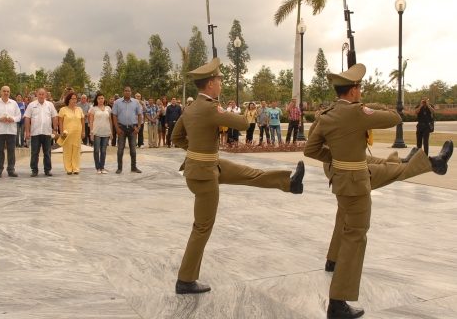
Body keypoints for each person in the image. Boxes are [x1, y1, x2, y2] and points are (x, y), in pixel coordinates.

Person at [304, 64, 430, 319]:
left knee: (345, 224)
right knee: (355, 236)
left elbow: (311, 150)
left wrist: (337, 158)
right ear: (353, 91)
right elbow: (395, 118)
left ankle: (333, 265)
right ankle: (337, 303)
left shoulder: (326, 115)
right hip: (356, 182)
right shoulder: (358, 112)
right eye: (360, 88)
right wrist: (374, 107)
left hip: (339, 180)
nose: (360, 92)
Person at [172, 57, 305, 295]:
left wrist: (196, 152)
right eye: (220, 80)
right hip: (204, 175)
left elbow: (177, 137)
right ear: (211, 83)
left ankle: (289, 182)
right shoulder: (211, 108)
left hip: (207, 166)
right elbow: (244, 123)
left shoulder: (190, 109)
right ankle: (185, 280)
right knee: (202, 227)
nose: (221, 83)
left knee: (249, 174)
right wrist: (227, 110)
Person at [0, 86, 21, 178]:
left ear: (10, 92)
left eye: (8, 91)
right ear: (0, 92)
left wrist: (13, 119)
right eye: (4, 91)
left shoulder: (14, 103)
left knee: (11, 151)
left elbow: (19, 116)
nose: (6, 93)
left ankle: (11, 170)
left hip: (11, 131)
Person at [24, 88, 58, 177]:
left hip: (47, 133)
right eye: (40, 94)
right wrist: (27, 131)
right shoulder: (31, 105)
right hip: (35, 133)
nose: (41, 96)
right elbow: (27, 118)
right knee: (34, 152)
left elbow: (54, 117)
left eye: (43, 94)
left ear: (46, 95)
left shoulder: (50, 105)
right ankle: (34, 170)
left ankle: (47, 170)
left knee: (47, 152)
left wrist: (55, 129)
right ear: (37, 94)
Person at [112, 86, 143, 174]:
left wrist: (139, 127)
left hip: (133, 128)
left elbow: (140, 114)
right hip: (121, 128)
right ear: (123, 92)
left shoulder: (136, 102)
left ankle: (133, 167)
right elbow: (114, 115)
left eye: (129, 91)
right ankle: (119, 168)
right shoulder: (117, 102)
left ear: (131, 92)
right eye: (125, 91)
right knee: (120, 149)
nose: (127, 92)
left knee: (133, 149)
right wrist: (116, 128)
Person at [58, 92, 85, 175]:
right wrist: (61, 131)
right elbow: (60, 122)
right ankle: (69, 169)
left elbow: (83, 121)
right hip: (67, 134)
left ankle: (76, 168)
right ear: (68, 100)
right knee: (67, 151)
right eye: (72, 98)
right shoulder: (63, 110)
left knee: (76, 151)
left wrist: (83, 132)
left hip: (77, 134)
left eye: (75, 99)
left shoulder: (79, 109)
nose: (74, 100)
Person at [89, 92, 113, 174]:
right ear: (96, 99)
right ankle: (98, 168)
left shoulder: (108, 109)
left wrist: (111, 132)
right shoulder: (93, 109)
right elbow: (91, 121)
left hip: (106, 132)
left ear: (104, 99)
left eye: (102, 98)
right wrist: (91, 132)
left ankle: (102, 167)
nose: (101, 100)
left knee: (103, 150)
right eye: (99, 98)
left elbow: (110, 121)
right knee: (96, 150)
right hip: (96, 132)